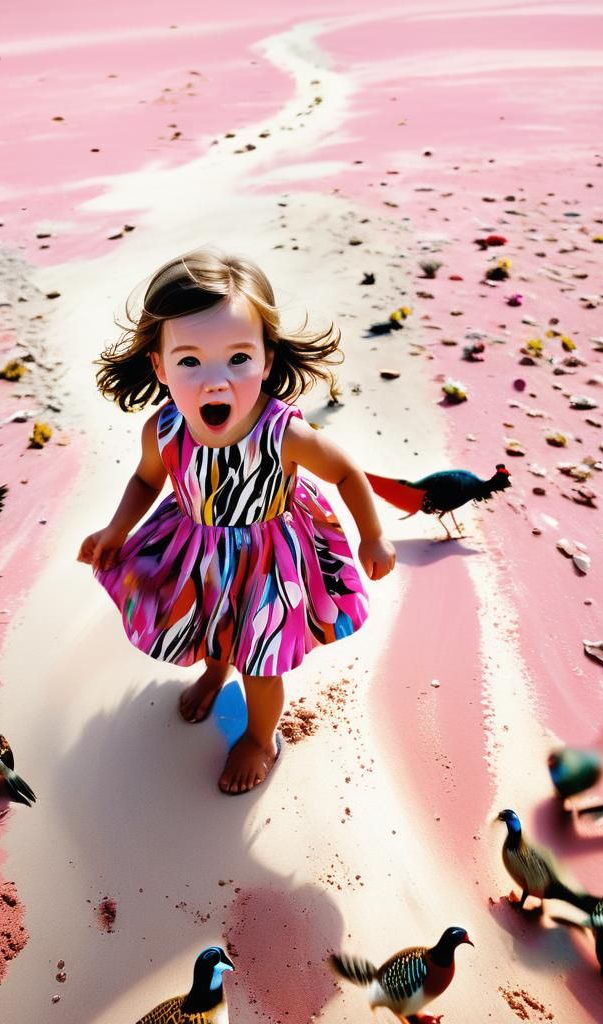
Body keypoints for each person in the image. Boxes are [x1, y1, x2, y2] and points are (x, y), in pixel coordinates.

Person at [78, 248, 395, 794]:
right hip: (194, 550)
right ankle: (215, 669)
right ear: (159, 365)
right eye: (190, 361)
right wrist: (117, 529)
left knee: (262, 661)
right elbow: (147, 481)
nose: (215, 382)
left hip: (268, 559)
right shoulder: (164, 430)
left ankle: (260, 737)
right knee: (210, 627)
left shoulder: (283, 434)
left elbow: (345, 472)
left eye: (238, 359)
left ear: (267, 360)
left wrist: (373, 535)